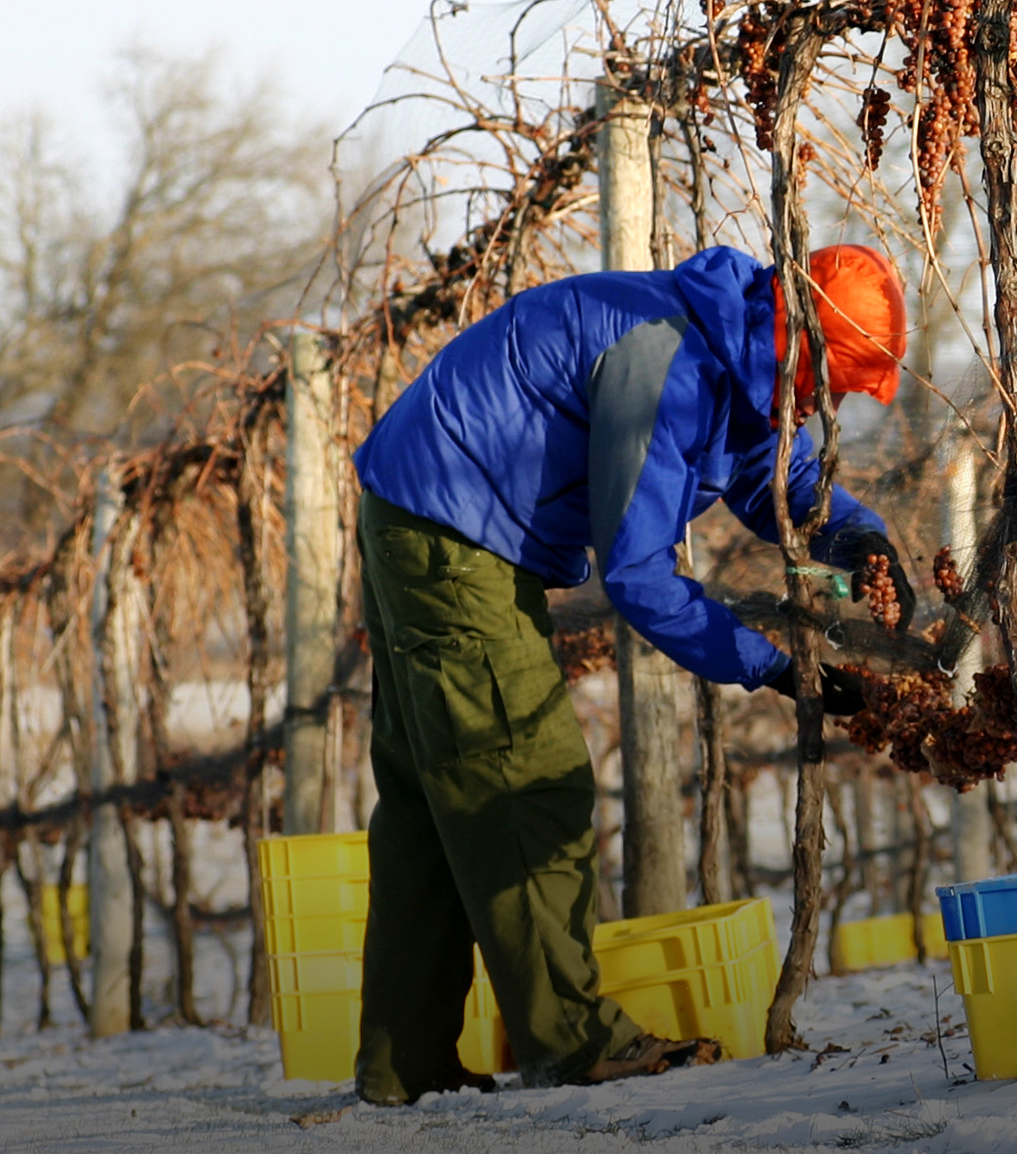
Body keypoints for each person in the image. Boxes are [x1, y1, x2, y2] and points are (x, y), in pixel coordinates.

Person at [348, 243, 915, 1103]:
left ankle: (405, 1069)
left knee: (436, 805)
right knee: (522, 783)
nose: (829, 403)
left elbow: (773, 471)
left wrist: (859, 537)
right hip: (452, 533)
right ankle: (573, 1045)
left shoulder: (734, 345)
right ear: (799, 343)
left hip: (418, 511)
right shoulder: (669, 360)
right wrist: (772, 671)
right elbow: (640, 575)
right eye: (831, 383)